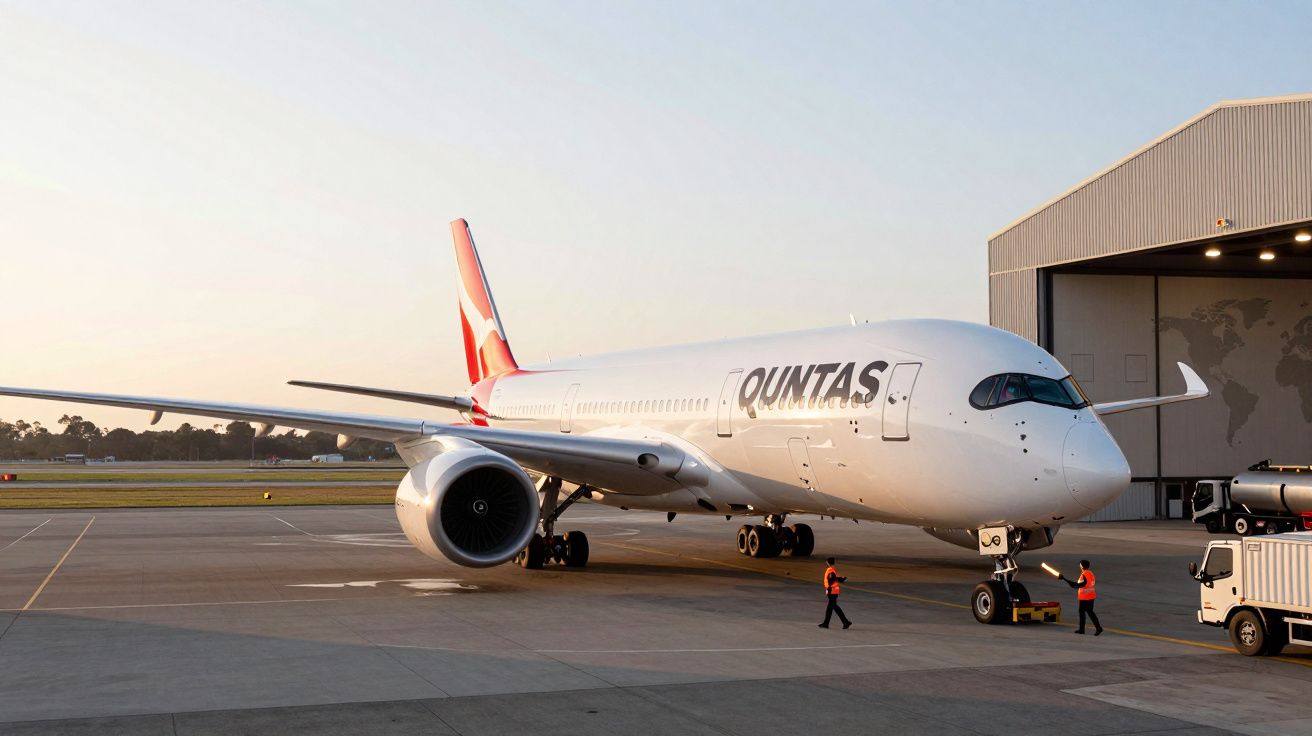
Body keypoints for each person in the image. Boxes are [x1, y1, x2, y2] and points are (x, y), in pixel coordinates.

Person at [1060, 559, 1103, 635]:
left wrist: (1064, 579)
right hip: (1091, 596)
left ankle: (1097, 628)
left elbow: (1076, 585)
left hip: (1085, 598)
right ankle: (1083, 629)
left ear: (1081, 566)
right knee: (1085, 612)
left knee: (1086, 612)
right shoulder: (1090, 573)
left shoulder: (1084, 575)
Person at [818, 556, 851, 629]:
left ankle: (846, 622)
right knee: (831, 608)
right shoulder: (833, 570)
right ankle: (826, 623)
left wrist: (829, 588)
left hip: (832, 591)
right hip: (834, 591)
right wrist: (840, 579)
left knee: (834, 607)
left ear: (828, 563)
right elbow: (835, 578)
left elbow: (831, 580)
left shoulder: (830, 570)